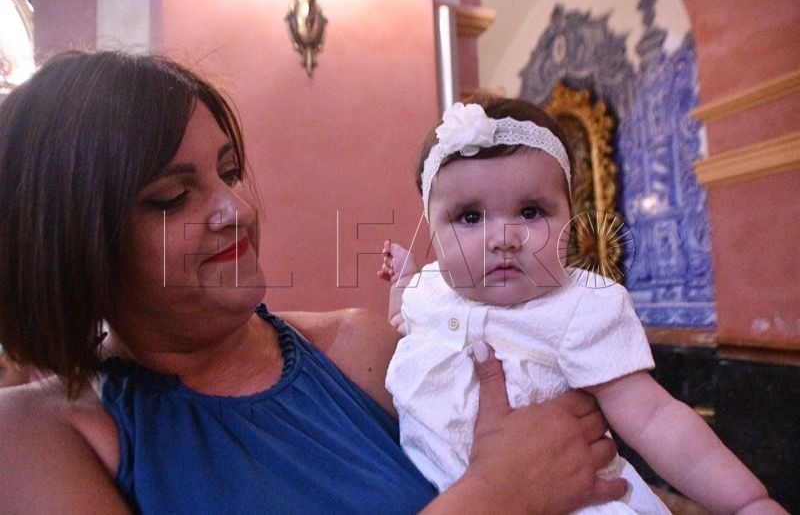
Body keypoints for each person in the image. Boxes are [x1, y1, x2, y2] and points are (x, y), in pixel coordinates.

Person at [0, 50, 629, 514]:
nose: (237, 209)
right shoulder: (35, 435)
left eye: (230, 171)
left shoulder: (361, 349)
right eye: (172, 196)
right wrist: (497, 496)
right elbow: (518, 477)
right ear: (73, 242)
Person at [378, 98, 787, 514]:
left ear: (570, 218)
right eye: (470, 217)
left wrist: (746, 501)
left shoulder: (578, 308)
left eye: (530, 212)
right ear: (431, 227)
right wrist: (406, 282)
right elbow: (404, 324)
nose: (503, 238)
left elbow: (655, 418)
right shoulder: (430, 291)